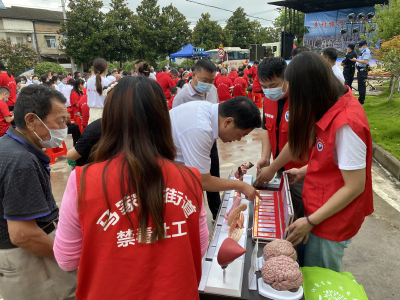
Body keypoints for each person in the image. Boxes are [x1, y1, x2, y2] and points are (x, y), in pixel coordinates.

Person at [54, 76, 205, 299]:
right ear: (163, 120)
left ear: (109, 120)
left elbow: (67, 260)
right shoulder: (190, 178)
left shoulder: (83, 180)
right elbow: (199, 249)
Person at [261, 52, 373, 272]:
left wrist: (310, 221)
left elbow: (354, 186)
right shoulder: (331, 108)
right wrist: (305, 170)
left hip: (331, 222)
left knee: (319, 279)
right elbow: (330, 161)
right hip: (319, 210)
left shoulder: (347, 124)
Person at [0, 85, 77, 299]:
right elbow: (23, 234)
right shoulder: (21, 161)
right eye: (60, 120)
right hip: (30, 259)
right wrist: (66, 255)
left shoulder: (9, 146)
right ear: (31, 120)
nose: (65, 126)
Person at [169, 98, 262, 212]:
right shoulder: (200, 129)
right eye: (241, 135)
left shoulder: (207, 111)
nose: (238, 139)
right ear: (228, 122)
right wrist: (241, 186)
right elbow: (203, 181)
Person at [253, 57, 308, 221]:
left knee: (301, 212)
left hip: (300, 170)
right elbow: (266, 128)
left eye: (273, 85)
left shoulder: (301, 101)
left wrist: (271, 169)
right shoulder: (269, 99)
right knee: (284, 210)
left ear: (287, 79)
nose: (269, 90)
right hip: (279, 166)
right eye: (264, 87)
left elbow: (296, 141)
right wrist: (265, 157)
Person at [172, 60, 224, 220]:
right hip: (188, 146)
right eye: (204, 81)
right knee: (195, 180)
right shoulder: (181, 98)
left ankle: (217, 213)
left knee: (213, 173)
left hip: (209, 140)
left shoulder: (213, 90)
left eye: (211, 80)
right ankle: (194, 215)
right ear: (193, 75)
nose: (208, 85)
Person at [86, 58, 110, 124]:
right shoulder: (107, 82)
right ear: (106, 69)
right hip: (103, 113)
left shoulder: (89, 81)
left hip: (92, 113)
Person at [350, 40, 371, 105]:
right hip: (360, 70)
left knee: (362, 86)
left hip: (363, 71)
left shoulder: (367, 51)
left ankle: (361, 100)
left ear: (364, 45)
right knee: (360, 85)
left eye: (360, 46)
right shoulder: (363, 51)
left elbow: (365, 61)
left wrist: (356, 60)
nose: (359, 47)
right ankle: (360, 99)